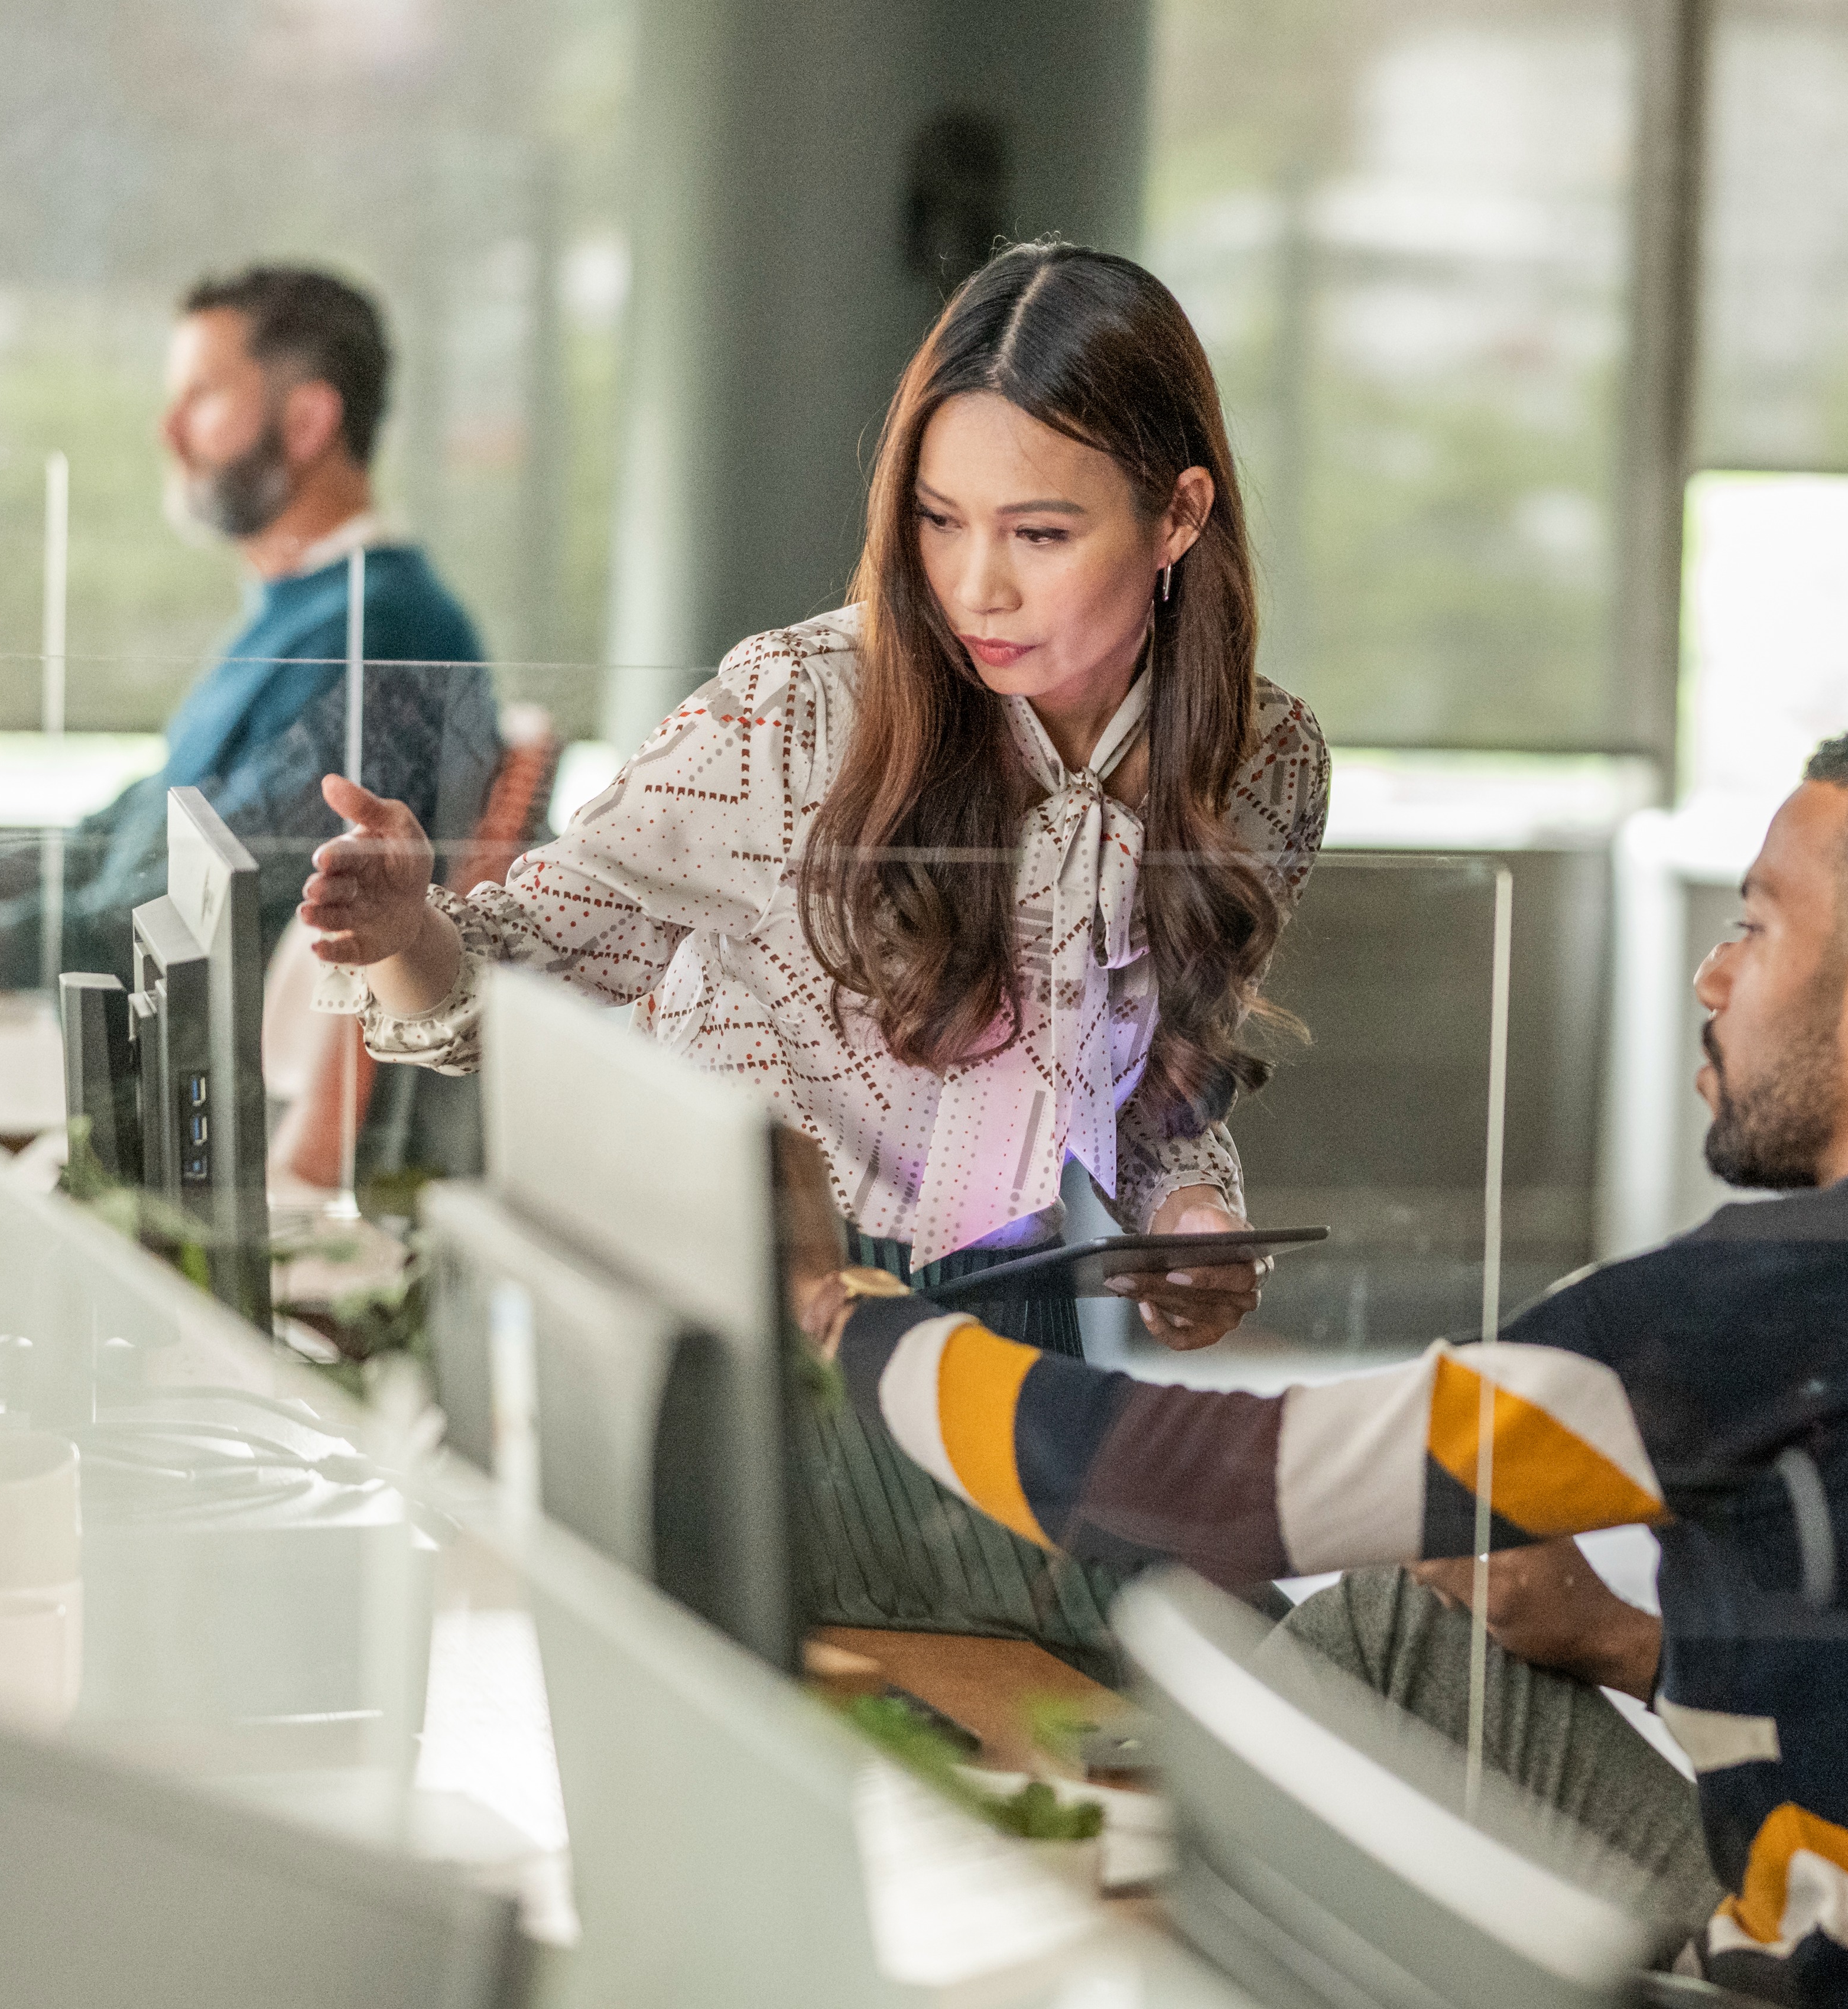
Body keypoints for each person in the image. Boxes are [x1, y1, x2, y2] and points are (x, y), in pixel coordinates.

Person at [802, 711, 1848, 2007]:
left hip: (1800, 1989)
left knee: (1297, 1661)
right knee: (1394, 1632)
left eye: (1754, 928)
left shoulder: (1745, 1316)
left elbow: (1200, 1490)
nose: (1712, 976)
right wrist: (1625, 1643)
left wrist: (848, 1315)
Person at [297, 242, 1330, 1668]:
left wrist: (1197, 1222)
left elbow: (1165, 1080)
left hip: (1023, 1336)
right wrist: (410, 930)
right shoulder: (797, 714)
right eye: (936, 519)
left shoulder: (1262, 762)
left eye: (1038, 533)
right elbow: (508, 971)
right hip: (764, 1335)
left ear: (1177, 517)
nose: (975, 585)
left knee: (1202, 1714)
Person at [0, 265, 509, 991]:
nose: (167, 431)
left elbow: (174, 923)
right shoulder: (309, 611)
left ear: (307, 423)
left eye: (200, 396)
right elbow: (108, 844)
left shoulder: (380, 638)